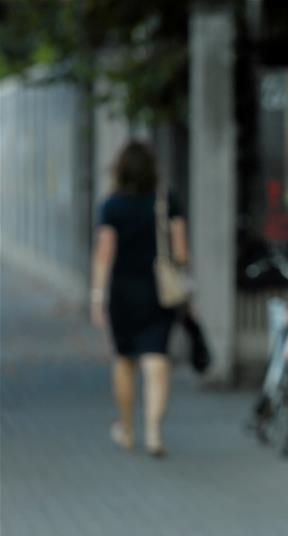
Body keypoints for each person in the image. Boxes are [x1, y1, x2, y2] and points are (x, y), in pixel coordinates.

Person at [90, 141, 188, 458]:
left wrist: (97, 296)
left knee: (124, 359)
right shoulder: (166, 200)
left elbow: (104, 254)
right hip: (159, 291)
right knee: (156, 358)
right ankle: (154, 431)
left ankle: (127, 428)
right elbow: (181, 252)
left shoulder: (111, 206)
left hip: (122, 292)